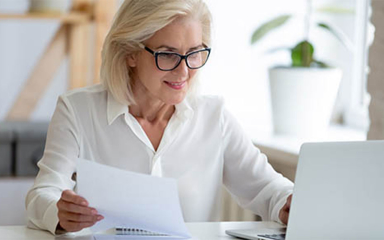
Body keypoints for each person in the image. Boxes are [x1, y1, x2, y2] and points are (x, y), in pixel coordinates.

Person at [26, 0, 293, 235]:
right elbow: (42, 194)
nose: (184, 71)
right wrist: (60, 213)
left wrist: (288, 203)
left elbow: (267, 189)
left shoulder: (214, 116)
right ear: (130, 52)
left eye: (194, 53)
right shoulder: (78, 110)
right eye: (167, 54)